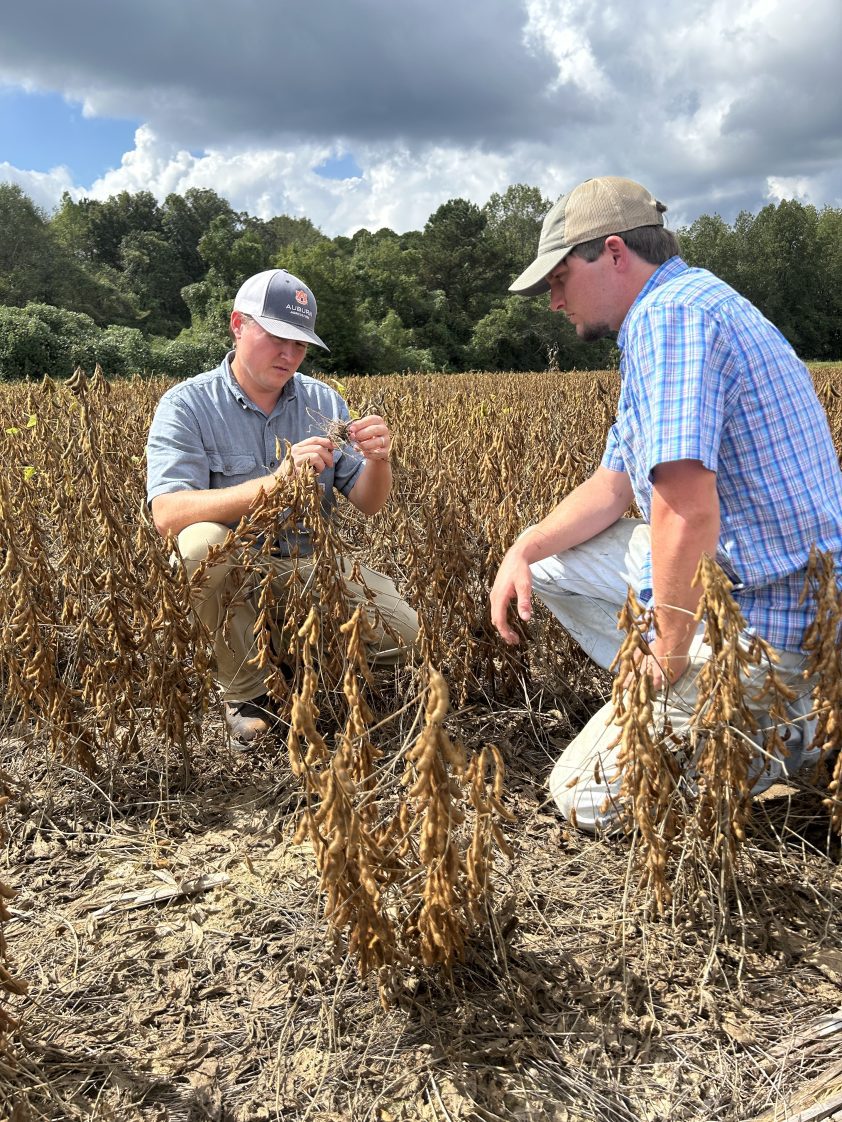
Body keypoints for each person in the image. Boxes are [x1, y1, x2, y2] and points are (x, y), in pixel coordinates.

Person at [490, 176, 842, 833]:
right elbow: (614, 485)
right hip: (742, 589)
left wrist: (666, 651)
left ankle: (789, 730)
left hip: (777, 629)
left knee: (581, 796)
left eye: (559, 279)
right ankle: (692, 707)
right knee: (548, 566)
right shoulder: (678, 308)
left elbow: (687, 511)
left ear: (615, 253)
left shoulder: (672, 317)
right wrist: (523, 547)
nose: (553, 301)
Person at [147, 268, 418, 745]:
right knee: (198, 544)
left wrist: (380, 460)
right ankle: (246, 691)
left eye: (299, 344)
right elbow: (168, 513)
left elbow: (369, 503)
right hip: (238, 565)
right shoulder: (187, 404)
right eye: (276, 337)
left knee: (405, 637)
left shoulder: (323, 400)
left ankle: (295, 651)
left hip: (310, 562)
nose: (289, 354)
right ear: (237, 325)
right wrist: (274, 483)